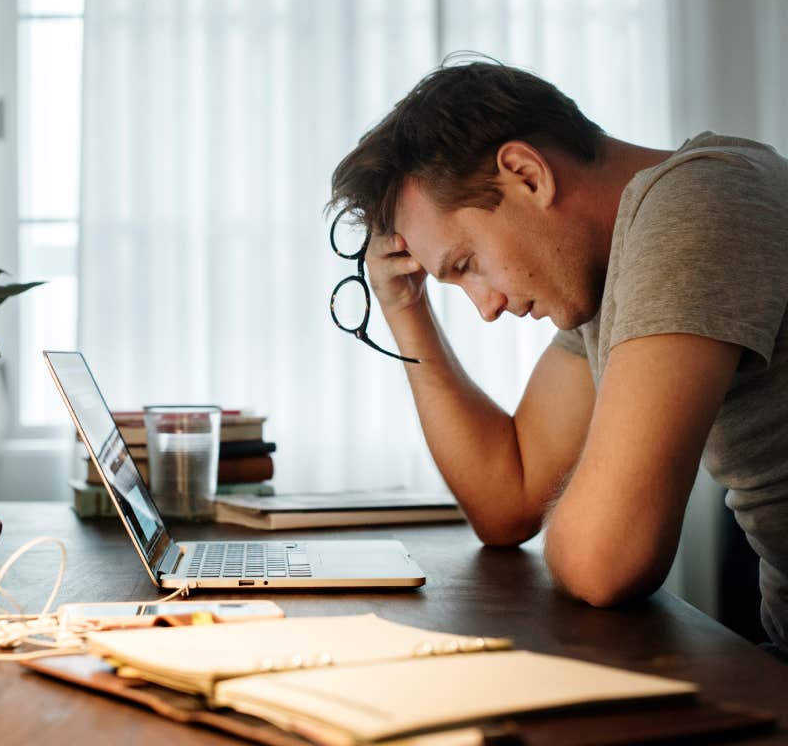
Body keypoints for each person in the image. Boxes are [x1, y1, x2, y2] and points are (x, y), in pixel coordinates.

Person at [326, 57, 788, 657]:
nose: (486, 308)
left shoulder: (699, 201)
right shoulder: (609, 269)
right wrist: (405, 309)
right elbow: (509, 501)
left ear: (526, 173)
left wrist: (596, 511)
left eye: (466, 264)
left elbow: (606, 559)